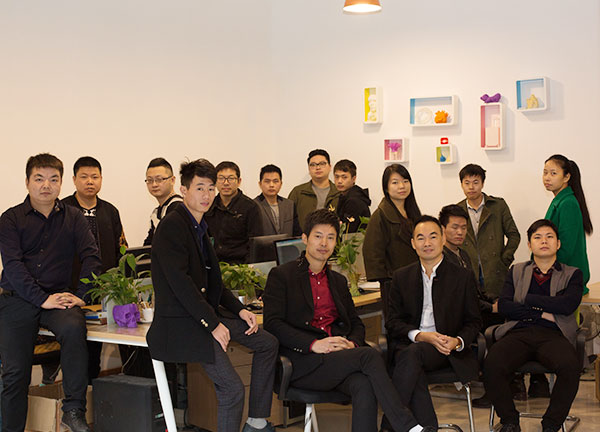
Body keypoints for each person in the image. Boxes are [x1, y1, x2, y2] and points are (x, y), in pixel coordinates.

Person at [263, 209, 435, 432]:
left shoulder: (337, 281)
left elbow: (356, 323)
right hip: (303, 364)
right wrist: (314, 344)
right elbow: (273, 324)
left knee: (363, 384)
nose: (324, 243)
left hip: (337, 360)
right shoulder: (281, 275)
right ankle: (408, 426)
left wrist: (350, 343)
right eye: (318, 236)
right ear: (305, 238)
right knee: (369, 355)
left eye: (330, 237)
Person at [146, 159, 278, 432]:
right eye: (200, 188)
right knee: (232, 390)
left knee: (267, 343)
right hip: (183, 324)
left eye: (211, 189)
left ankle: (256, 422)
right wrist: (213, 324)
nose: (206, 195)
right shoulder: (172, 226)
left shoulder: (199, 226)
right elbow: (181, 285)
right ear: (184, 190)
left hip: (203, 317)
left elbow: (214, 281)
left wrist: (240, 309)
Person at [0, 153, 102, 432]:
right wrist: (41, 299)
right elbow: (13, 266)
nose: (46, 185)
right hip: (18, 299)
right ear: (27, 182)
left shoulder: (74, 217)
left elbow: (92, 256)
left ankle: (73, 411)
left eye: (53, 179)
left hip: (58, 297)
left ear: (61, 183)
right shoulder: (10, 219)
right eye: (39, 179)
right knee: (15, 372)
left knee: (74, 327)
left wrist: (83, 294)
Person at [383, 215, 482, 430]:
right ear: (413, 243)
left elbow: (474, 321)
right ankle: (426, 428)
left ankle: (390, 426)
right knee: (413, 361)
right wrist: (420, 335)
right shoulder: (401, 277)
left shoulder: (462, 277)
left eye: (433, 236)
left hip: (445, 350)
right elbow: (392, 322)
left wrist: (457, 341)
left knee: (410, 359)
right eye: (420, 238)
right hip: (410, 346)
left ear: (443, 238)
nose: (427, 243)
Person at [483, 219, 583, 432]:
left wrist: (527, 299)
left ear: (558, 244)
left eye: (549, 237)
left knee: (570, 367)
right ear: (529, 245)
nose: (544, 241)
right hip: (519, 332)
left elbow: (567, 305)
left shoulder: (572, 274)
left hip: (553, 334)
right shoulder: (516, 271)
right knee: (492, 363)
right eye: (537, 237)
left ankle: (551, 424)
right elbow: (505, 306)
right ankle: (510, 421)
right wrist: (542, 311)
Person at [62, 156, 128, 382]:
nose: (90, 181)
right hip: (71, 288)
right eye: (84, 177)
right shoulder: (63, 209)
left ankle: (94, 386)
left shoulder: (110, 211)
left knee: (96, 345)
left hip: (104, 289)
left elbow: (121, 250)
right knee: (77, 342)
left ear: (101, 179)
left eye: (94, 177)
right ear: (74, 179)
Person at [457, 164, 520, 301]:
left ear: (483, 183)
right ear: (461, 185)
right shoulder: (457, 210)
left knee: (497, 310)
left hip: (494, 270)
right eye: (467, 183)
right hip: (469, 271)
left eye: (475, 182)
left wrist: (504, 260)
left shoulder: (498, 206)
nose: (471, 187)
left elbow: (514, 235)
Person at [542, 154, 592, 294]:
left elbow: (566, 248)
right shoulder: (560, 200)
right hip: (561, 276)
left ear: (566, 177)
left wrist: (544, 270)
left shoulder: (568, 203)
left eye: (553, 173)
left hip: (568, 278)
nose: (547, 178)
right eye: (545, 172)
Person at [363, 164, 421, 283]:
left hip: (416, 277)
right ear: (386, 188)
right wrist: (385, 280)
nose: (402, 186)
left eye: (405, 181)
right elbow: (372, 252)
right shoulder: (380, 216)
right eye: (395, 182)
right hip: (394, 281)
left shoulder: (413, 212)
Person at [204, 161, 263, 263]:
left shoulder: (250, 207)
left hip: (241, 266)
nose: (226, 183)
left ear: (239, 181)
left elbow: (255, 244)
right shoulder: (208, 205)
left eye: (231, 178)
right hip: (214, 264)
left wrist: (246, 269)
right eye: (221, 178)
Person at [288, 149, 340, 231]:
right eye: (313, 165)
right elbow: (288, 220)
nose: (318, 167)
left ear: (330, 167)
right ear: (309, 168)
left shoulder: (338, 192)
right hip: (304, 238)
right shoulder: (298, 192)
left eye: (322, 164)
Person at [143, 157, 183, 246]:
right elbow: (148, 245)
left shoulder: (178, 209)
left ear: (172, 180)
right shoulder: (156, 213)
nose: (154, 184)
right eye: (150, 180)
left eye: (159, 179)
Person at [254, 164, 301, 237]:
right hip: (264, 244)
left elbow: (297, 233)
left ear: (281, 184)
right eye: (267, 181)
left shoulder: (289, 205)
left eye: (275, 181)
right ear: (260, 184)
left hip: (287, 244)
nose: (271, 185)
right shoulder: (253, 205)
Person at [333, 159, 371, 233]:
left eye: (344, 177)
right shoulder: (345, 195)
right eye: (336, 177)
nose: (339, 181)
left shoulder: (354, 200)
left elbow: (347, 232)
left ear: (353, 179)